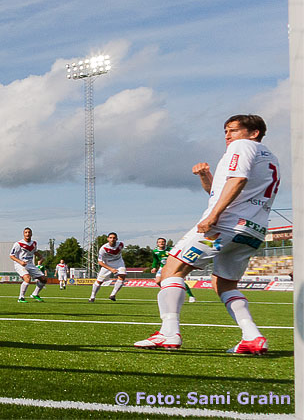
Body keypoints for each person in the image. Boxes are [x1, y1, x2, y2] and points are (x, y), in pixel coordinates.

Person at [135, 115, 280, 354]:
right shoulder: (270, 157)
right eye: (225, 131)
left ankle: (169, 333)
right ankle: (252, 336)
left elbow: (238, 180)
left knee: (171, 271)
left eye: (233, 130)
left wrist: (213, 216)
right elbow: (219, 191)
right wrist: (205, 176)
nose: (227, 136)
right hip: (252, 230)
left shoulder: (242, 146)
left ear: (253, 132)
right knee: (224, 283)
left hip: (224, 224)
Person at [151, 237, 195, 303]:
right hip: (163, 267)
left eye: (163, 242)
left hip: (172, 267)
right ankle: (166, 291)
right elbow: (155, 260)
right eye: (159, 242)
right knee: (158, 281)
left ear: (165, 243)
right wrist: (154, 267)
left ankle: (191, 296)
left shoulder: (171, 249)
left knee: (179, 281)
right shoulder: (155, 251)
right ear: (157, 243)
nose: (161, 243)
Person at [9, 227, 45, 302]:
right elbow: (11, 255)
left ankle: (35, 294)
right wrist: (20, 262)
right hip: (20, 265)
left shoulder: (34, 243)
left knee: (43, 279)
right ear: (23, 234)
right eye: (26, 232)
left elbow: (34, 251)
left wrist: (41, 257)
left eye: (29, 232)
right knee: (27, 278)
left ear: (31, 234)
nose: (27, 234)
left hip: (30, 264)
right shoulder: (18, 244)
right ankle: (21, 298)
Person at [89, 232, 126, 302]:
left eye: (114, 238)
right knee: (99, 281)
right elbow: (100, 262)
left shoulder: (121, 244)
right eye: (110, 238)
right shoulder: (103, 248)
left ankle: (113, 295)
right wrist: (111, 269)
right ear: (108, 239)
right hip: (107, 264)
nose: (112, 239)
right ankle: (92, 297)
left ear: (116, 239)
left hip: (119, 262)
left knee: (122, 276)